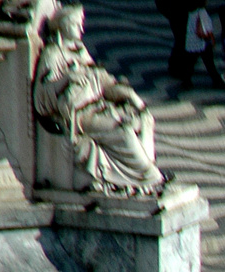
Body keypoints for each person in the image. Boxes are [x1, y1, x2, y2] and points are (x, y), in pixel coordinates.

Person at [33, 6, 166, 194]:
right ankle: (149, 176)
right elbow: (41, 99)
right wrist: (64, 81)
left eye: (81, 25)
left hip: (99, 106)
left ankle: (144, 173)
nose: (81, 30)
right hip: (78, 116)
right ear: (63, 27)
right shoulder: (53, 55)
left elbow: (104, 82)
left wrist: (131, 97)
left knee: (143, 120)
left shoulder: (80, 51)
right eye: (76, 25)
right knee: (124, 131)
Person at [182, 1, 225, 88]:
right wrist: (212, 39)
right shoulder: (202, 12)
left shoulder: (191, 12)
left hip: (191, 41)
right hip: (203, 42)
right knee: (209, 63)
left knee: (191, 63)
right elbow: (207, 28)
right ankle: (218, 82)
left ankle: (186, 82)